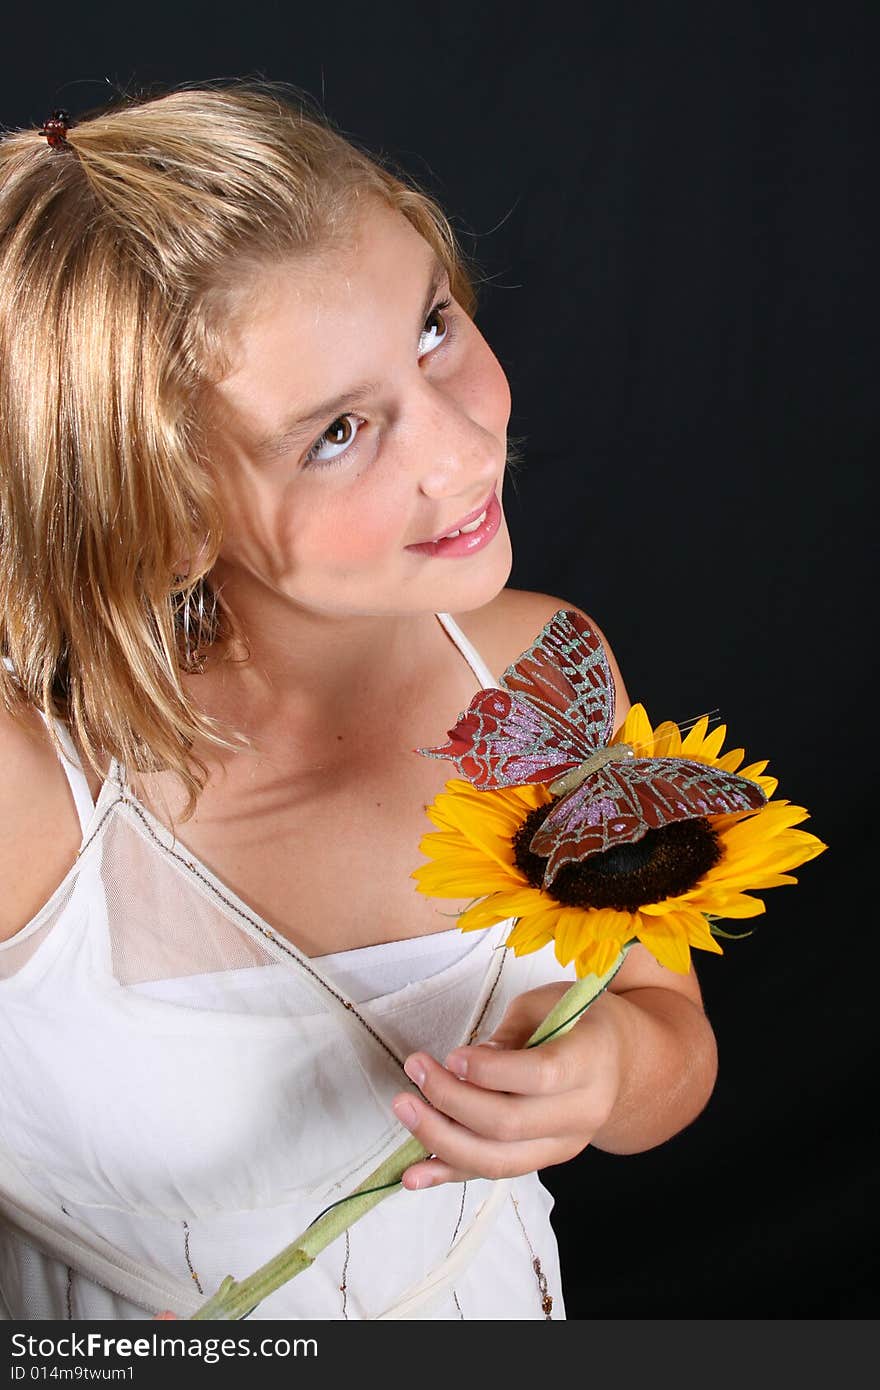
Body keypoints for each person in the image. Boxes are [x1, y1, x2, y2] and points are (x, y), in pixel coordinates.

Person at [0, 82, 718, 1321]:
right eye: (338, 431)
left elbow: (669, 1035)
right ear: (163, 519)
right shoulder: (37, 783)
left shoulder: (538, 668)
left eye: (432, 326)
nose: (462, 449)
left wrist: (602, 1075)